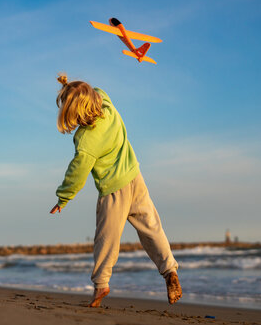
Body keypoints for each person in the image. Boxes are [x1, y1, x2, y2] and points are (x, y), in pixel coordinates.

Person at [49, 75, 182, 307]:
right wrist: (71, 85)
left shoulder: (85, 140)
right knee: (152, 229)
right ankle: (170, 270)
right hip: (135, 178)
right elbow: (97, 90)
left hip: (113, 191)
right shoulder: (108, 106)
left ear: (74, 114)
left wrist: (63, 198)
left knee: (106, 240)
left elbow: (77, 174)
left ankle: (101, 285)